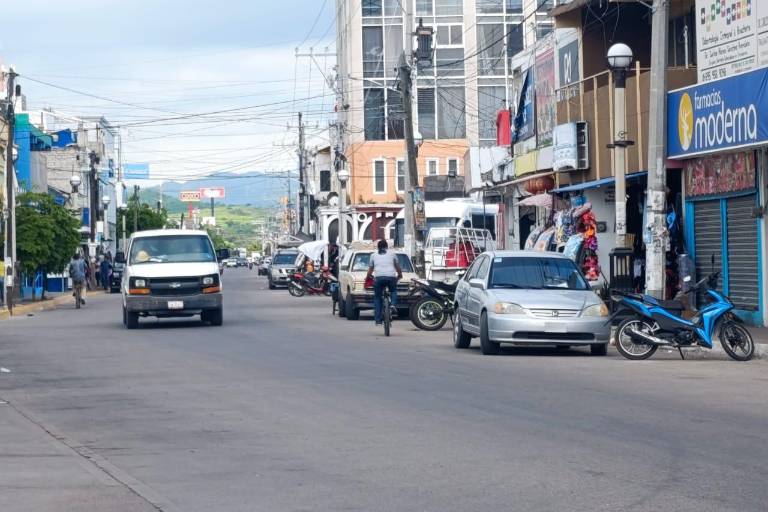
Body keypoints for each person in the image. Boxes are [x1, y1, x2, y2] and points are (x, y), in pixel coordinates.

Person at [366, 239, 403, 325]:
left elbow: (370, 269)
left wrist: (367, 277)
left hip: (378, 278)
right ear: (387, 246)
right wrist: (400, 275)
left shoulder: (373, 255)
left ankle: (378, 320)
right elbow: (398, 267)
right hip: (391, 277)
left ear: (378, 247)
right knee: (393, 291)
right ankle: (393, 305)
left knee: (377, 297)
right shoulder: (392, 254)